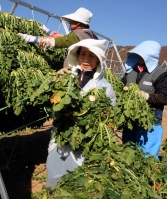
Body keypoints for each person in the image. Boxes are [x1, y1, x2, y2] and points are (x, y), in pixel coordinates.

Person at [46, 39, 116, 188]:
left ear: (98, 59)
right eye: (83, 54)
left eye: (91, 55)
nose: (86, 59)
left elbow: (110, 115)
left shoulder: (105, 87)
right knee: (55, 175)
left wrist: (81, 116)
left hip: (85, 141)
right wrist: (54, 80)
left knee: (78, 181)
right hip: (61, 135)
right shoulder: (67, 78)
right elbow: (50, 102)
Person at [121, 40, 167, 160]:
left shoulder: (160, 74)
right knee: (128, 153)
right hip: (130, 121)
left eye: (141, 54)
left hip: (150, 123)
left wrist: (146, 96)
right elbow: (120, 87)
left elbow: (165, 97)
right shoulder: (131, 71)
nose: (138, 56)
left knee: (147, 157)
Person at [18, 7, 98, 66]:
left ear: (78, 23)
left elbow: (59, 42)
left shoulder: (77, 35)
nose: (69, 24)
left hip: (75, 72)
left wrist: (31, 38)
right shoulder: (90, 35)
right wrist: (48, 31)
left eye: (71, 22)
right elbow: (64, 38)